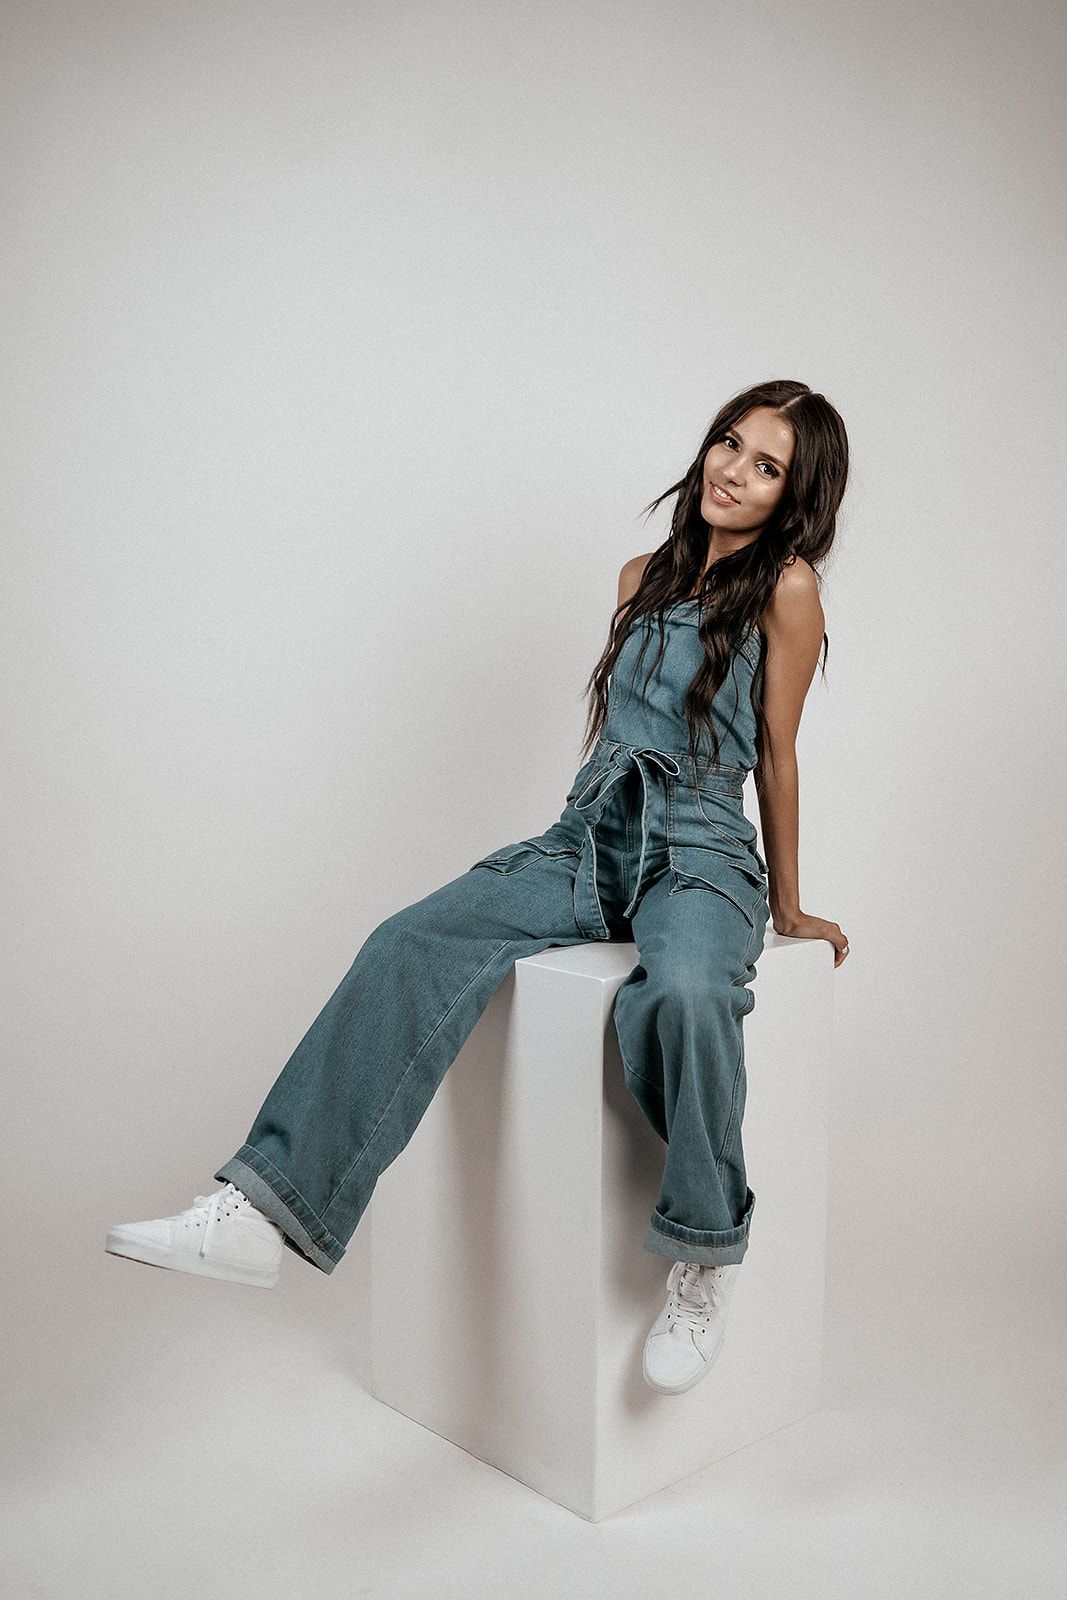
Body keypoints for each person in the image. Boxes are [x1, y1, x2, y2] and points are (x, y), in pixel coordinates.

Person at [107, 377, 851, 1397]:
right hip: (589, 832)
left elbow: (775, 752)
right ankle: (263, 1211)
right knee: (407, 938)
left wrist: (786, 904)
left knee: (684, 991)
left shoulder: (787, 588)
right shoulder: (638, 573)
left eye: (766, 465)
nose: (734, 470)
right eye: (729, 443)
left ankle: (702, 1252)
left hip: (701, 845)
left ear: (792, 493)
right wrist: (588, 837)